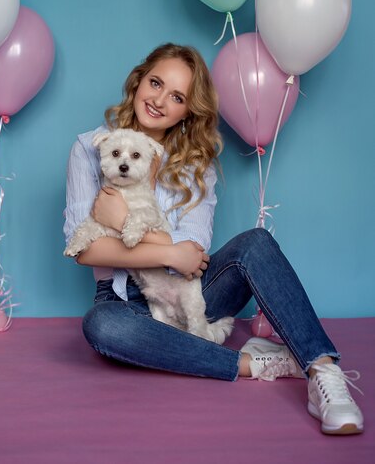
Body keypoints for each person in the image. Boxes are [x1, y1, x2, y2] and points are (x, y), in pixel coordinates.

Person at [64, 43, 364, 436]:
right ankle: (255, 364)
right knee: (102, 328)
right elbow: (86, 251)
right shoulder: (90, 147)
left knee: (255, 242)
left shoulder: (194, 165)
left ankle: (323, 371)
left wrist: (122, 220)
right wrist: (166, 249)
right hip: (123, 301)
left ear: (188, 110)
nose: (158, 100)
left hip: (194, 293)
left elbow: (188, 258)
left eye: (177, 97)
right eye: (155, 83)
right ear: (138, 81)